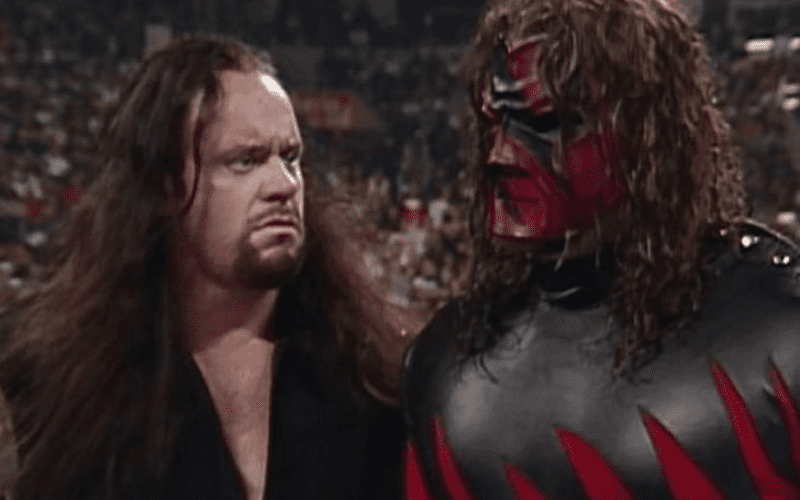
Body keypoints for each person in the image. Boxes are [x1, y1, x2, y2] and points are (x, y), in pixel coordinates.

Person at [401, 0, 800, 499]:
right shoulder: (442, 358)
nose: (500, 153)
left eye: (545, 122)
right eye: (493, 121)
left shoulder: (782, 330)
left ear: (647, 135)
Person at [0, 35, 422, 500]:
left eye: (290, 157)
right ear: (165, 185)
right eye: (245, 161)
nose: (284, 184)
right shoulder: (50, 386)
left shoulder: (374, 382)